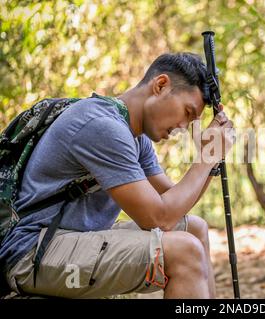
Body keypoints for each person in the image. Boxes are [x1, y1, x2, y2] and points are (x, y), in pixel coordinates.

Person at [0, 52, 235, 298]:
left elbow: (174, 202)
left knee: (194, 228)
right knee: (185, 252)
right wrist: (206, 158)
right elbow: (158, 217)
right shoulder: (101, 126)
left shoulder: (136, 137)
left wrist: (211, 159)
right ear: (161, 85)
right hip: (31, 253)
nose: (183, 127)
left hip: (67, 241)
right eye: (187, 112)